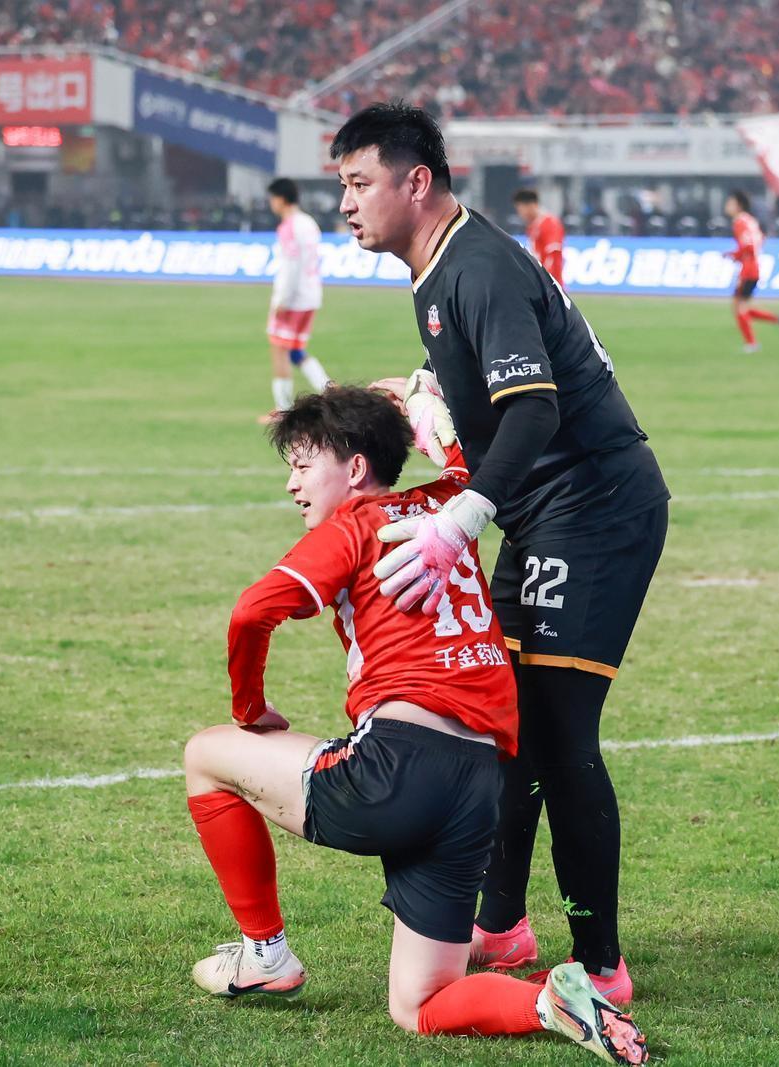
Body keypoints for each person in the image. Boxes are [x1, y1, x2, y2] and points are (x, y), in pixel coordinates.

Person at [183, 385, 649, 1064]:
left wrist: (249, 709)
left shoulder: (349, 528)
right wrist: (416, 409)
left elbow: (252, 611)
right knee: (420, 1005)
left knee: (205, 755)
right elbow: (465, 464)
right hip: (477, 788)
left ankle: (265, 953)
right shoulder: (450, 504)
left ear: (356, 467)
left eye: (303, 465)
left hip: (397, 770)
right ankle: (552, 1003)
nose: (291, 484)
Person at [330, 101, 670, 1005]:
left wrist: (459, 522)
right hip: (544, 512)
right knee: (505, 723)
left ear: (416, 183)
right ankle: (503, 924)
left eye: (359, 183)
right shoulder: (439, 267)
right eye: (342, 187)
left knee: (558, 734)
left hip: (595, 509)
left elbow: (534, 410)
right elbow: (490, 384)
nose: (347, 204)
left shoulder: (473, 267)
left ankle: (602, 965)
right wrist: (421, 390)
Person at [260, 177, 332, 423]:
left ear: (280, 199)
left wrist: (282, 298)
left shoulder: (289, 227)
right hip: (311, 295)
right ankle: (329, 389)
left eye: (272, 198)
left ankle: (283, 411)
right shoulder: (309, 223)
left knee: (279, 351)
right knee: (294, 350)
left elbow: (291, 266)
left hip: (293, 298)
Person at [724, 190, 779, 353]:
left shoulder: (739, 222)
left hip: (748, 269)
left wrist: (734, 255)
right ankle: (776, 319)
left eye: (730, 203)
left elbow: (748, 245)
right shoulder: (750, 220)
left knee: (739, 307)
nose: (727, 206)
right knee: (739, 305)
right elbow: (760, 239)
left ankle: (752, 343)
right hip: (754, 266)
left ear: (738, 205)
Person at [513, 187, 566, 286]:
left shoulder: (550, 224)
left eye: (520, 209)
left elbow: (553, 254)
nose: (520, 214)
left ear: (531, 205)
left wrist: (546, 282)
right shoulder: (533, 226)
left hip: (549, 285)